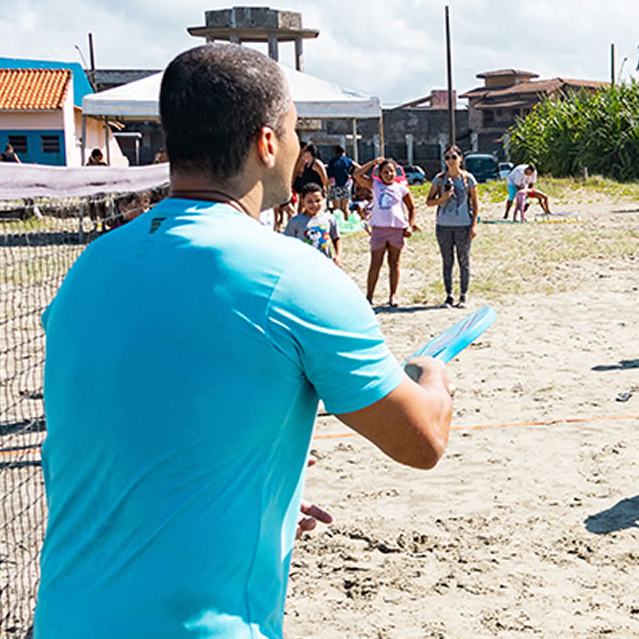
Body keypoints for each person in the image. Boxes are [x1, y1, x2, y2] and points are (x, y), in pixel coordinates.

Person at [35, 43, 454, 639]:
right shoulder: (294, 277)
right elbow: (421, 441)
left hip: (65, 619)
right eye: (295, 131)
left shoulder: (91, 266)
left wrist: (253, 499)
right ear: (267, 143)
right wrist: (433, 377)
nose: (299, 148)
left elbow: (139, 419)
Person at [355, 158, 418, 306]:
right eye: (385, 172)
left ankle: (393, 295)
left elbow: (411, 208)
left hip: (396, 229)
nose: (389, 174)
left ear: (396, 172)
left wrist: (409, 226)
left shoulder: (401, 188)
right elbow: (357, 175)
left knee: (394, 263)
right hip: (379, 229)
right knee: (375, 264)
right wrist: (372, 163)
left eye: (391, 171)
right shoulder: (375, 185)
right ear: (380, 174)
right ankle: (369, 296)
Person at [426, 146, 478, 308]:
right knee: (447, 261)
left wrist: (473, 226)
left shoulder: (468, 179)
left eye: (454, 157)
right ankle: (449, 295)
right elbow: (429, 201)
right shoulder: (439, 179)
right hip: (443, 226)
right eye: (447, 157)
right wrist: (443, 198)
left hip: (463, 225)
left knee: (464, 260)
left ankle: (463, 295)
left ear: (460, 158)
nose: (450, 160)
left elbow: (475, 203)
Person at [283, 184, 341, 266]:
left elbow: (336, 238)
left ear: (323, 199)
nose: (314, 205)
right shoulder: (295, 222)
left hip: (325, 263)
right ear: (302, 201)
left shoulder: (329, 218)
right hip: (304, 264)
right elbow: (287, 243)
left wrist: (338, 255)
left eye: (318, 201)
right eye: (310, 202)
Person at [326, 145, 358, 219]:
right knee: (345, 208)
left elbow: (329, 175)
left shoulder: (332, 161)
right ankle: (347, 222)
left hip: (335, 185)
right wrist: (352, 175)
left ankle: (337, 223)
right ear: (343, 153)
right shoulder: (347, 160)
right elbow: (358, 166)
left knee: (336, 208)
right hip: (346, 185)